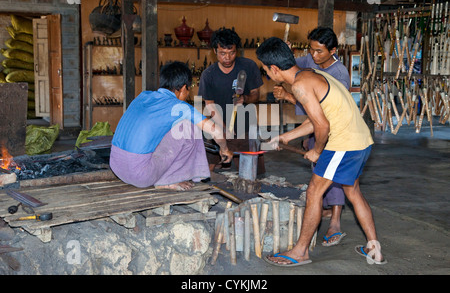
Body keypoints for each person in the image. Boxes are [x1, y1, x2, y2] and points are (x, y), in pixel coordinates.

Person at [256, 37, 386, 266]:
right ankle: (373, 246)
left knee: (314, 192)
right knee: (352, 191)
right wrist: (287, 136)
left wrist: (317, 150)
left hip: (344, 143)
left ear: (274, 69)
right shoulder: (311, 74)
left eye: (266, 70)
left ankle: (300, 252)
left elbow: (322, 126)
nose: (267, 74)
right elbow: (317, 119)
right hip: (361, 140)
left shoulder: (299, 85)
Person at [273, 27, 349, 247]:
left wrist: (288, 96)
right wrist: (285, 56)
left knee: (333, 176)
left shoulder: (339, 74)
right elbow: (291, 69)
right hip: (314, 126)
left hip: (334, 129)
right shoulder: (309, 60)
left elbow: (326, 113)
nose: (314, 57)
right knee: (318, 171)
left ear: (333, 50)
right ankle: (324, 210)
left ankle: (335, 220)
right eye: (311, 50)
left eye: (319, 52)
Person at [109, 61, 233, 191]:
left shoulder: (143, 96)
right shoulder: (180, 107)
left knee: (169, 127)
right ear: (184, 88)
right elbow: (216, 132)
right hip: (140, 175)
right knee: (188, 126)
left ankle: (164, 176)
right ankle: (168, 180)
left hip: (117, 166)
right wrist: (224, 149)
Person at [198, 28, 264, 173]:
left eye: (231, 52)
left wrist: (245, 98)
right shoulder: (208, 75)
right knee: (206, 172)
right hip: (217, 126)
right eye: (222, 53)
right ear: (215, 51)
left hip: (245, 127)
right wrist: (223, 129)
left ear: (237, 51)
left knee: (251, 173)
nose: (227, 58)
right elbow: (210, 105)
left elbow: (256, 95)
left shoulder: (248, 66)